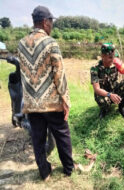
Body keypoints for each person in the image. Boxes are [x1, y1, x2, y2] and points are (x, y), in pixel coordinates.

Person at [17, 5, 74, 180]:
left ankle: (45, 172)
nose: (52, 25)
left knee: (38, 139)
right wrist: (65, 99)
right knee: (62, 134)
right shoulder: (51, 43)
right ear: (44, 22)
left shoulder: (21, 44)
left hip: (32, 104)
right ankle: (69, 168)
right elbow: (59, 74)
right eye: (51, 22)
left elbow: (24, 73)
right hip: (51, 102)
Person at [90, 43, 124, 119]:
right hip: (104, 93)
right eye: (110, 57)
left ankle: (121, 107)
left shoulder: (116, 63)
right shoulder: (95, 68)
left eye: (113, 57)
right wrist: (109, 95)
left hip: (114, 89)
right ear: (103, 56)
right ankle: (104, 109)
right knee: (101, 100)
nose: (112, 60)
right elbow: (97, 89)